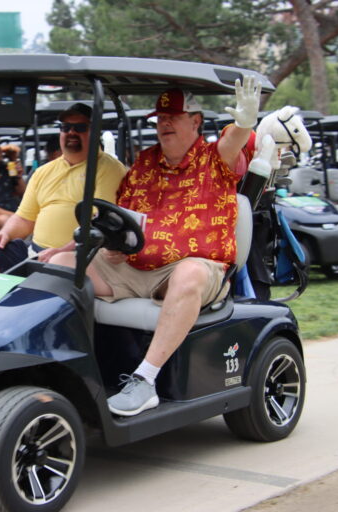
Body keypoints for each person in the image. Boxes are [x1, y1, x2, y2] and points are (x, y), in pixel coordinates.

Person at [49, 78, 262, 417]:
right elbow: (121, 217)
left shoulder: (216, 158)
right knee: (61, 265)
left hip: (195, 268)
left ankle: (144, 380)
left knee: (189, 273)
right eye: (160, 118)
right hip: (133, 266)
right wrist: (113, 245)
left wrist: (245, 122)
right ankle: (64, 368)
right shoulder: (145, 163)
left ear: (195, 121)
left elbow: (234, 141)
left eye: (173, 117)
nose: (164, 124)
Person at [0, 103, 126, 272]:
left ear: (95, 132)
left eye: (80, 127)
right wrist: (4, 234)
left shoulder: (109, 169)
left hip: (79, 257)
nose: (71, 132)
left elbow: (100, 226)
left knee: (57, 262)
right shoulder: (43, 171)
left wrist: (61, 251)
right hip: (36, 253)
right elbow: (24, 218)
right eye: (65, 127)